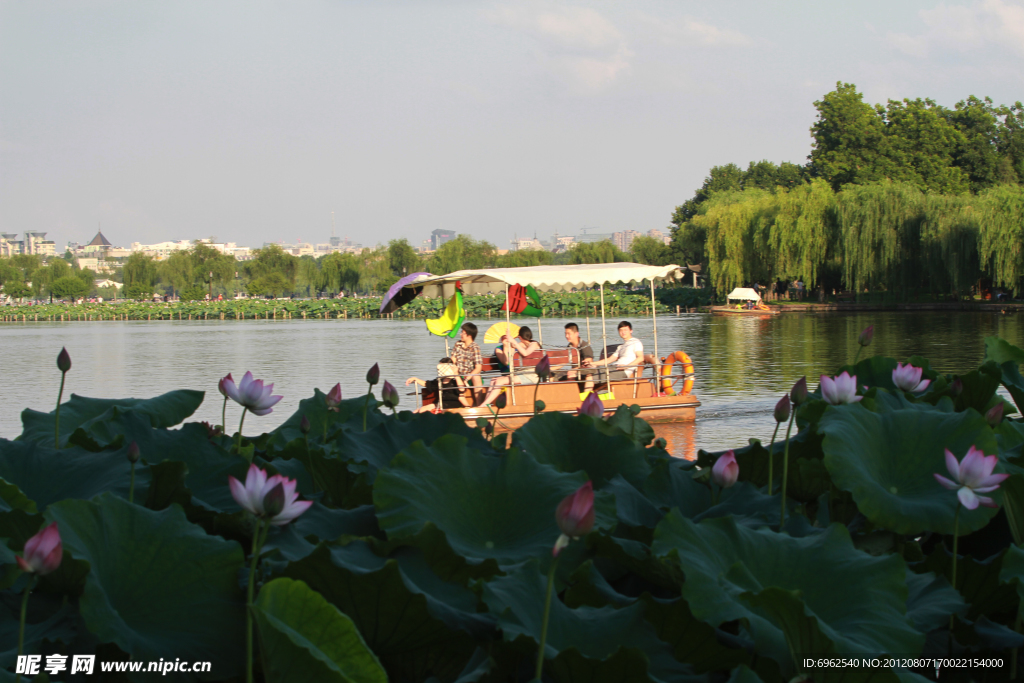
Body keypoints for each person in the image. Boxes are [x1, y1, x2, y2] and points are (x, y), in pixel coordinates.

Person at [480, 326, 543, 407]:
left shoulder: (534, 344)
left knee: (499, 382)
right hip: (521, 374)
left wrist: (514, 342)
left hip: (531, 376)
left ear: (520, 337)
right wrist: (506, 344)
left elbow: (526, 353)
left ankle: (484, 405)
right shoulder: (523, 344)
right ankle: (486, 404)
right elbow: (509, 356)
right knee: (494, 380)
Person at [406, 358, 474, 413]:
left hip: (452, 404)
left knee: (423, 410)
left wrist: (456, 373)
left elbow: (461, 389)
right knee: (416, 411)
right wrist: (415, 379)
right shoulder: (439, 381)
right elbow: (427, 384)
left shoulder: (455, 381)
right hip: (440, 403)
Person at [553, 322, 595, 390]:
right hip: (575, 370)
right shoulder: (570, 346)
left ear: (576, 334)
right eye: (565, 334)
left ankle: (573, 393)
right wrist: (551, 369)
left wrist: (576, 369)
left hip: (585, 369)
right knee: (552, 373)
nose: (566, 336)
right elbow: (564, 361)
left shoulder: (584, 346)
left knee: (571, 373)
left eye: (569, 334)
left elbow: (589, 361)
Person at [452, 322, 484, 403]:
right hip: (458, 374)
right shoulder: (458, 344)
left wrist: (467, 377)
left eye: (463, 333)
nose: (461, 334)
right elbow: (453, 359)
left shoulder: (475, 347)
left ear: (469, 335)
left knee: (476, 376)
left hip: (469, 375)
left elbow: (478, 368)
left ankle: (479, 404)